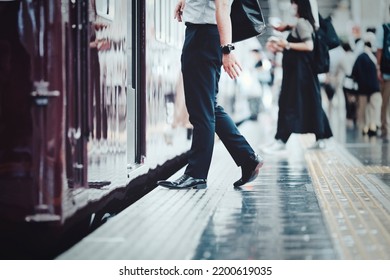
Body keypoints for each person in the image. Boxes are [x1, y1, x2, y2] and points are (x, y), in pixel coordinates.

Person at [157, 0, 263, 189]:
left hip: (204, 36)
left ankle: (196, 174)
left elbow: (222, 4)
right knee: (208, 106)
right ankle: (247, 158)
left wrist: (227, 49)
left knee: (201, 111)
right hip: (201, 34)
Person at [262, 0, 333, 153]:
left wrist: (285, 44)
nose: (291, 6)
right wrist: (283, 41)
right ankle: (320, 138)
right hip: (303, 75)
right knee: (311, 104)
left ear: (300, 5)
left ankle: (281, 140)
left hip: (299, 77)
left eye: (294, 3)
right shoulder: (304, 23)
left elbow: (309, 46)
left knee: (289, 104)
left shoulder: (301, 23)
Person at [352, 34, 382, 136]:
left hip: (362, 88)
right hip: (374, 87)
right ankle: (373, 124)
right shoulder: (374, 57)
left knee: (363, 108)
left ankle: (364, 126)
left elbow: (354, 73)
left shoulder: (360, 57)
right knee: (375, 106)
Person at [376, 7, 390, 137]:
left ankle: (385, 128)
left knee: (385, 103)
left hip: (386, 73)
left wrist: (378, 68)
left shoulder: (384, 28)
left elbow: (379, 50)